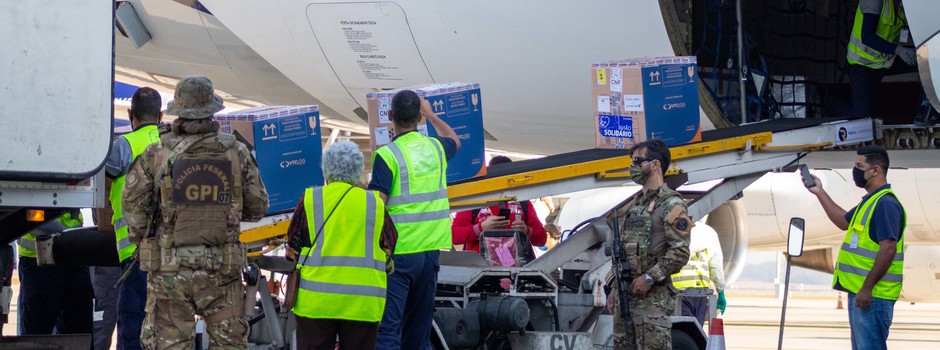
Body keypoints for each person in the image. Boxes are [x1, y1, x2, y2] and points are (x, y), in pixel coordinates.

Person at [122, 75, 269, 348]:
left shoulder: (157, 154)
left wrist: (146, 236)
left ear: (178, 112)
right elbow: (257, 207)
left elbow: (133, 210)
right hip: (221, 272)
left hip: (169, 272)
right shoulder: (237, 152)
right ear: (212, 111)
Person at [369, 89, 461, 350]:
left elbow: (376, 206)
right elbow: (454, 139)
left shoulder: (387, 155)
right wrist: (431, 114)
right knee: (418, 333)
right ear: (419, 118)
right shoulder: (436, 147)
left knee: (388, 331)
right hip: (430, 253)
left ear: (389, 116)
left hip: (399, 255)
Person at [285, 141, 393, 350]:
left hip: (316, 303)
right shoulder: (374, 204)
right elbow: (390, 244)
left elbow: (293, 242)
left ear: (325, 169)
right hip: (362, 303)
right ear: (358, 171)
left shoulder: (310, 199)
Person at [804, 145, 905, 350]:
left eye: (859, 166)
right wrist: (819, 192)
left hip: (873, 297)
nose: (855, 171)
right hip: (861, 294)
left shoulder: (885, 204)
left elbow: (888, 249)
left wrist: (867, 288)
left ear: (875, 170)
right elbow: (843, 221)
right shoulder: (870, 202)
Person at [607, 139, 692, 350]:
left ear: (655, 164)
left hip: (652, 300)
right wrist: (614, 289)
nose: (633, 166)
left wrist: (649, 277)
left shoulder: (671, 204)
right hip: (625, 298)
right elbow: (624, 251)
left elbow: (680, 252)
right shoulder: (635, 204)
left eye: (638, 160)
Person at [106, 86, 162, 350]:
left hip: (135, 254)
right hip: (171, 255)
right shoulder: (172, 145)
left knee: (133, 327)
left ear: (130, 114)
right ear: (160, 115)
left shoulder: (124, 146)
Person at [844, 0, 937, 126]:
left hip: (887, 59)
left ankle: (925, 109)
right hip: (863, 63)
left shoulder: (905, 4)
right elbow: (867, 36)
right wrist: (900, 51)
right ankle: (833, 102)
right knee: (861, 121)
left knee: (928, 61)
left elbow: (909, 29)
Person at [16, 211, 94, 336]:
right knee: (37, 334)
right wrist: (68, 236)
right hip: (39, 259)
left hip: (72, 256)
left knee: (79, 333)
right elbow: (30, 213)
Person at [451, 156, 547, 255]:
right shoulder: (475, 201)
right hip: (479, 266)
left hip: (515, 267)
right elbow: (453, 236)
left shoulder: (522, 202)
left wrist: (526, 230)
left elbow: (542, 239)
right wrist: (481, 228)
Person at [670, 224, 726, 326]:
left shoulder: (675, 228)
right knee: (696, 331)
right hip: (701, 292)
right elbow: (715, 265)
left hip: (678, 290)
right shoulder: (709, 231)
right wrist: (720, 291)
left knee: (682, 329)